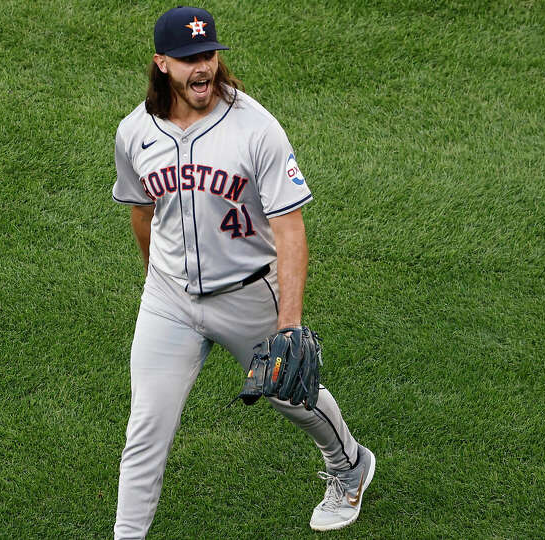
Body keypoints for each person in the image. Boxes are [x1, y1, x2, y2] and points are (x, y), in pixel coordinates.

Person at [111, 6, 375, 538]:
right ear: (162, 63)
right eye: (188, 60)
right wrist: (154, 282)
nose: (201, 68)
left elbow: (290, 229)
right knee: (145, 430)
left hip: (248, 294)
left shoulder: (256, 128)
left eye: (208, 55)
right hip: (169, 298)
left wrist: (289, 323)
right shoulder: (134, 132)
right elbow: (142, 213)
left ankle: (350, 464)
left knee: (292, 394)